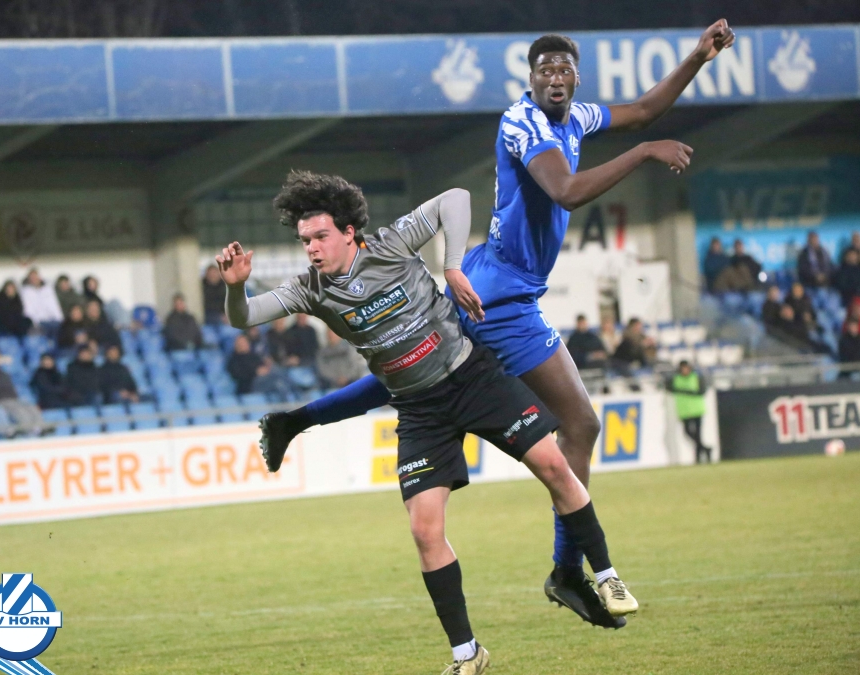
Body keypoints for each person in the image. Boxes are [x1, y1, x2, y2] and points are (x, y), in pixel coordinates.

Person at [255, 23, 735, 632]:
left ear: (575, 78)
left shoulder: (576, 118)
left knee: (417, 367)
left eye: (564, 69)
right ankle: (568, 571)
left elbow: (642, 110)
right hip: (502, 295)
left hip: (501, 282)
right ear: (531, 80)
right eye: (545, 70)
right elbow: (565, 191)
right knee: (577, 423)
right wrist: (643, 153)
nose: (555, 77)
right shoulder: (523, 123)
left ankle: (295, 420)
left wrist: (697, 57)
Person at [218, 173, 638, 673]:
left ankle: (606, 576)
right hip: (419, 408)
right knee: (424, 530)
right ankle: (467, 654)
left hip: (472, 377)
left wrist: (452, 266)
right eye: (305, 240)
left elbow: (454, 199)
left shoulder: (392, 244)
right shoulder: (309, 290)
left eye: (320, 236)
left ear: (349, 232)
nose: (311, 248)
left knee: (554, 467)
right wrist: (236, 289)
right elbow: (244, 317)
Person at [0, 348, 43, 432]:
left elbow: (10, 387)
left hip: (12, 399)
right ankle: (28, 431)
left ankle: (41, 428)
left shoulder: (3, 373)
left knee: (32, 407)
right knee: (19, 411)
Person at [665, 360, 712, 464]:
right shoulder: (676, 378)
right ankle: (705, 449)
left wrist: (683, 391)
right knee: (688, 432)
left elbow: (702, 391)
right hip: (684, 410)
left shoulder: (696, 377)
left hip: (697, 409)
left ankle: (698, 458)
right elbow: (668, 386)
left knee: (698, 435)